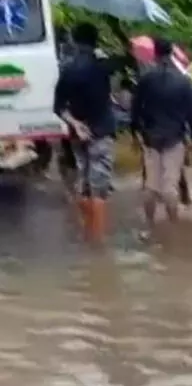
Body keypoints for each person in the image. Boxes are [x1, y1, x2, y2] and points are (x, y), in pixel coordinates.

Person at [53, 23, 120, 243]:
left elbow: (58, 107)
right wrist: (118, 31)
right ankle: (98, 243)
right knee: (99, 189)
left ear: (73, 41)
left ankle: (87, 231)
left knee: (83, 183)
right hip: (102, 132)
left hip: (77, 134)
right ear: (95, 41)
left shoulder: (68, 69)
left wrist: (76, 124)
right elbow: (128, 59)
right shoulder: (104, 66)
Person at [130, 37, 192, 238]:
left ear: (155, 53)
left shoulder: (146, 79)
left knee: (151, 185)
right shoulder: (184, 81)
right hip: (174, 138)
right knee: (170, 186)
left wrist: (136, 133)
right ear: (172, 53)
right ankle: (174, 227)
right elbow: (191, 113)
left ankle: (150, 226)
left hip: (151, 137)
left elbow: (136, 110)